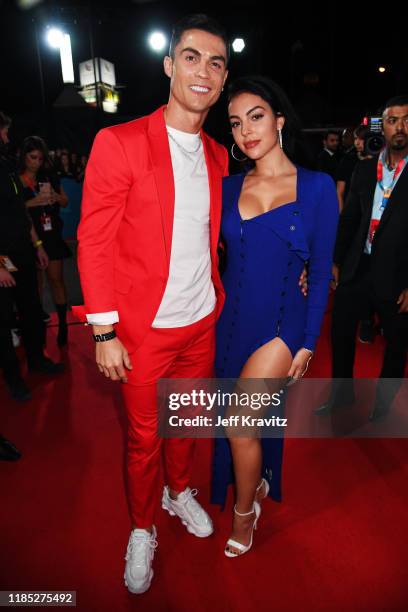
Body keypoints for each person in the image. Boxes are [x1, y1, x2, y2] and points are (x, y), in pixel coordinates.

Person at [75, 14, 230, 595]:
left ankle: (179, 491)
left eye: (216, 63)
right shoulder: (118, 142)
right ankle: (143, 528)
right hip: (141, 332)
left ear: (222, 80)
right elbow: (93, 239)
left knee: (185, 423)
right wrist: (103, 330)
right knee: (145, 438)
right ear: (170, 66)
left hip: (199, 324)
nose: (203, 71)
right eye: (192, 57)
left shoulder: (218, 154)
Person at [211, 76, 339, 557]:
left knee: (239, 423)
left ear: (280, 120)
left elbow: (322, 266)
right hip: (231, 323)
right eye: (235, 122)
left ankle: (245, 514)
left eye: (257, 116)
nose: (245, 130)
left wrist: (307, 342)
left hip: (283, 325)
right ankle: (256, 482)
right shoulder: (225, 187)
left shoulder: (318, 187)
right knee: (241, 422)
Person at [316, 95, 408, 421]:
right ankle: (342, 396)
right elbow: (350, 219)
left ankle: (382, 408)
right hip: (357, 267)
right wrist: (336, 260)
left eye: (406, 119)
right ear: (383, 127)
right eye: (393, 120)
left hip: (397, 276)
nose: (400, 126)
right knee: (340, 333)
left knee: (397, 345)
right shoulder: (365, 168)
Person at [0, 111, 64, 401]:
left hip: (24, 252)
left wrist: (37, 245)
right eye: (3, 132)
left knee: (31, 310)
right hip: (2, 260)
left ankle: (37, 359)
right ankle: (13, 379)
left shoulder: (7, 168)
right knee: (3, 321)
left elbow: (20, 212)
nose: (6, 137)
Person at [19, 136, 71, 346]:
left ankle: (63, 325)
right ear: (24, 157)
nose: (37, 162)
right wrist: (34, 201)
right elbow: (12, 210)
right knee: (35, 285)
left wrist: (54, 198)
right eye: (33, 157)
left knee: (56, 279)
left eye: (40, 158)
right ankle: (38, 323)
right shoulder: (15, 179)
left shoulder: (48, 176)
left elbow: (65, 200)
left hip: (51, 235)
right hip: (28, 236)